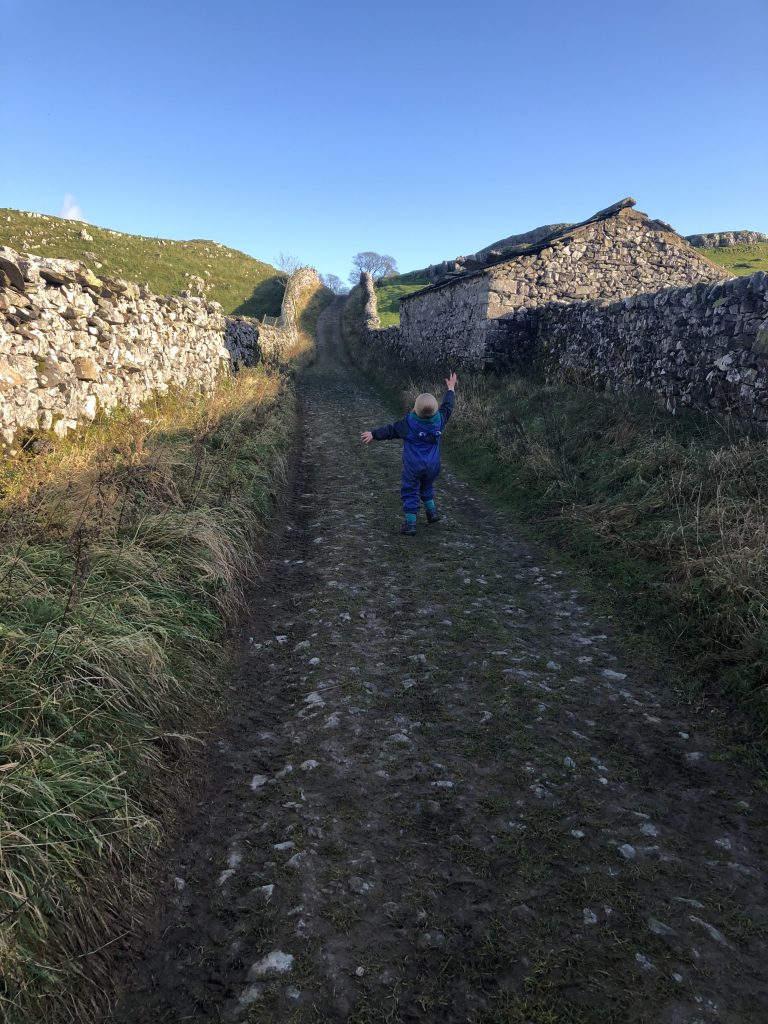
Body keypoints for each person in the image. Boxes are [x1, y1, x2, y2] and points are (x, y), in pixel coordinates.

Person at [361, 373, 458, 536]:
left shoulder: (408, 424)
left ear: (415, 409)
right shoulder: (440, 420)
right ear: (435, 411)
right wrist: (450, 389)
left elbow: (390, 431)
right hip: (433, 465)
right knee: (426, 486)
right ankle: (432, 512)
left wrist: (373, 434)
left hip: (413, 467)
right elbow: (448, 406)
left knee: (411, 490)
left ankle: (410, 523)